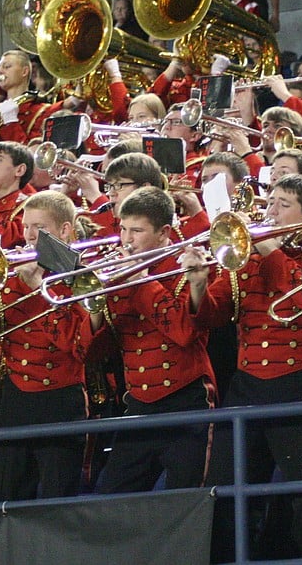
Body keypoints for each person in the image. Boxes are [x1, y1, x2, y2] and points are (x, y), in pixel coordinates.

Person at [195, 174, 302, 560]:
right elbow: (213, 315)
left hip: (301, 385)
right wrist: (197, 283)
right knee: (224, 493)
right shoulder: (248, 258)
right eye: (270, 202)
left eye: (283, 204)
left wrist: (270, 249)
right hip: (247, 385)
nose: (270, 211)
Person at [0, 191, 95, 501]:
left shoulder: (80, 277)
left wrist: (37, 289)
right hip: (15, 399)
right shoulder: (11, 277)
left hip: (61, 399)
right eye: (25, 227)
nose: (29, 236)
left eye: (40, 228)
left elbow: (74, 344)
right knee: (8, 500)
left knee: (57, 499)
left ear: (65, 230)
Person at [91, 187, 216, 493]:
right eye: (122, 229)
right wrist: (94, 309)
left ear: (164, 233)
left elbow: (184, 332)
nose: (126, 240)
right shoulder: (116, 272)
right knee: (112, 498)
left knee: (187, 502)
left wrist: (138, 282)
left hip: (186, 400)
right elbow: (98, 351)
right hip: (138, 403)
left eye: (136, 231)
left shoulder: (188, 267)